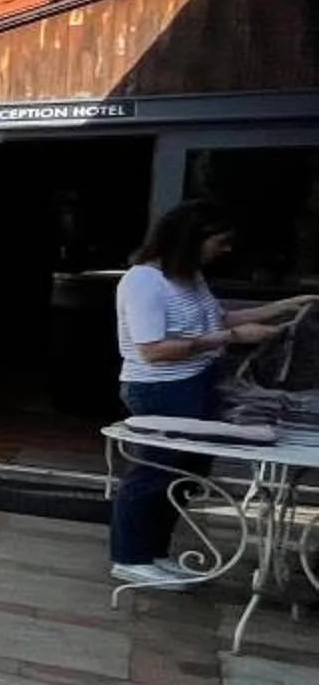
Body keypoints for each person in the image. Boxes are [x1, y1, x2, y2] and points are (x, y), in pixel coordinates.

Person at [109, 202, 310, 588]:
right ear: (192, 238)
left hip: (198, 383)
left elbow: (217, 319)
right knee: (154, 474)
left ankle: (154, 552)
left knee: (187, 474)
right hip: (160, 391)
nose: (226, 249)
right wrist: (232, 339)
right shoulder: (143, 282)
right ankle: (129, 557)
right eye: (221, 241)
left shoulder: (190, 277)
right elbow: (153, 350)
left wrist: (280, 308)